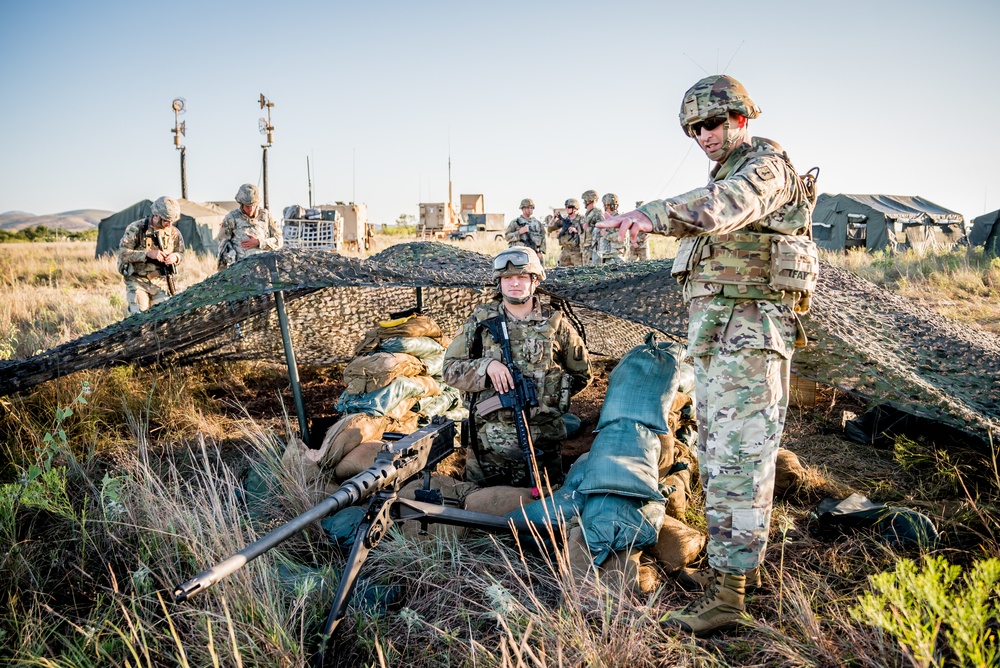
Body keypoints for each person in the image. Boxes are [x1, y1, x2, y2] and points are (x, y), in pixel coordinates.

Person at [599, 74, 818, 636]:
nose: (704, 135)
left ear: (741, 118)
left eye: (713, 123)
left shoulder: (763, 168)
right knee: (725, 459)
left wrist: (651, 214)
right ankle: (735, 579)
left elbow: (728, 206)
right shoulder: (726, 172)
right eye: (694, 128)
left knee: (740, 462)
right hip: (726, 341)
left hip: (749, 342)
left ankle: (731, 597)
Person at [443, 247, 592, 488]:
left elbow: (582, 375)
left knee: (543, 515)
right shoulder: (481, 321)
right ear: (498, 283)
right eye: (507, 278)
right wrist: (486, 367)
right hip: (486, 450)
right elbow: (449, 369)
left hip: (541, 448)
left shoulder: (555, 324)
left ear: (535, 282)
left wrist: (546, 397)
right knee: (478, 511)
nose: (514, 283)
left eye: (522, 277)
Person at [117, 196, 185, 315]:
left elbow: (181, 253)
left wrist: (175, 257)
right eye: (166, 221)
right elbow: (123, 254)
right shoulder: (136, 229)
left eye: (172, 222)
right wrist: (147, 254)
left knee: (162, 318)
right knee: (140, 317)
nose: (169, 224)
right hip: (137, 280)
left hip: (160, 283)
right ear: (156, 215)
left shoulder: (174, 233)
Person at [216, 183, 283, 270]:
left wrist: (259, 242)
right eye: (247, 206)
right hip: (239, 271)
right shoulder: (231, 218)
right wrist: (222, 273)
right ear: (241, 203)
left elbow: (279, 240)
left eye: (253, 205)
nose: (250, 208)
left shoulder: (266, 216)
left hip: (262, 270)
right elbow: (222, 245)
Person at [546, 198, 585, 267]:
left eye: (569, 207)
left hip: (577, 251)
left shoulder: (581, 218)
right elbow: (549, 229)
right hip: (565, 250)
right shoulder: (564, 220)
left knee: (578, 273)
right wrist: (554, 218)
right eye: (566, 207)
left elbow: (586, 231)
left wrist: (576, 231)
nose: (567, 209)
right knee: (562, 273)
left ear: (575, 208)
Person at [594, 193, 627, 264]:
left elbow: (620, 237)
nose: (605, 207)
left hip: (616, 257)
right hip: (605, 256)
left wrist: (605, 234)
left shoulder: (620, 219)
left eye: (606, 205)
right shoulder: (605, 220)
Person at [579, 189, 604, 265]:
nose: (584, 202)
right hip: (585, 248)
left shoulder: (597, 213)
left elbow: (602, 231)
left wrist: (589, 228)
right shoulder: (587, 214)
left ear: (590, 200)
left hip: (593, 248)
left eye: (585, 200)